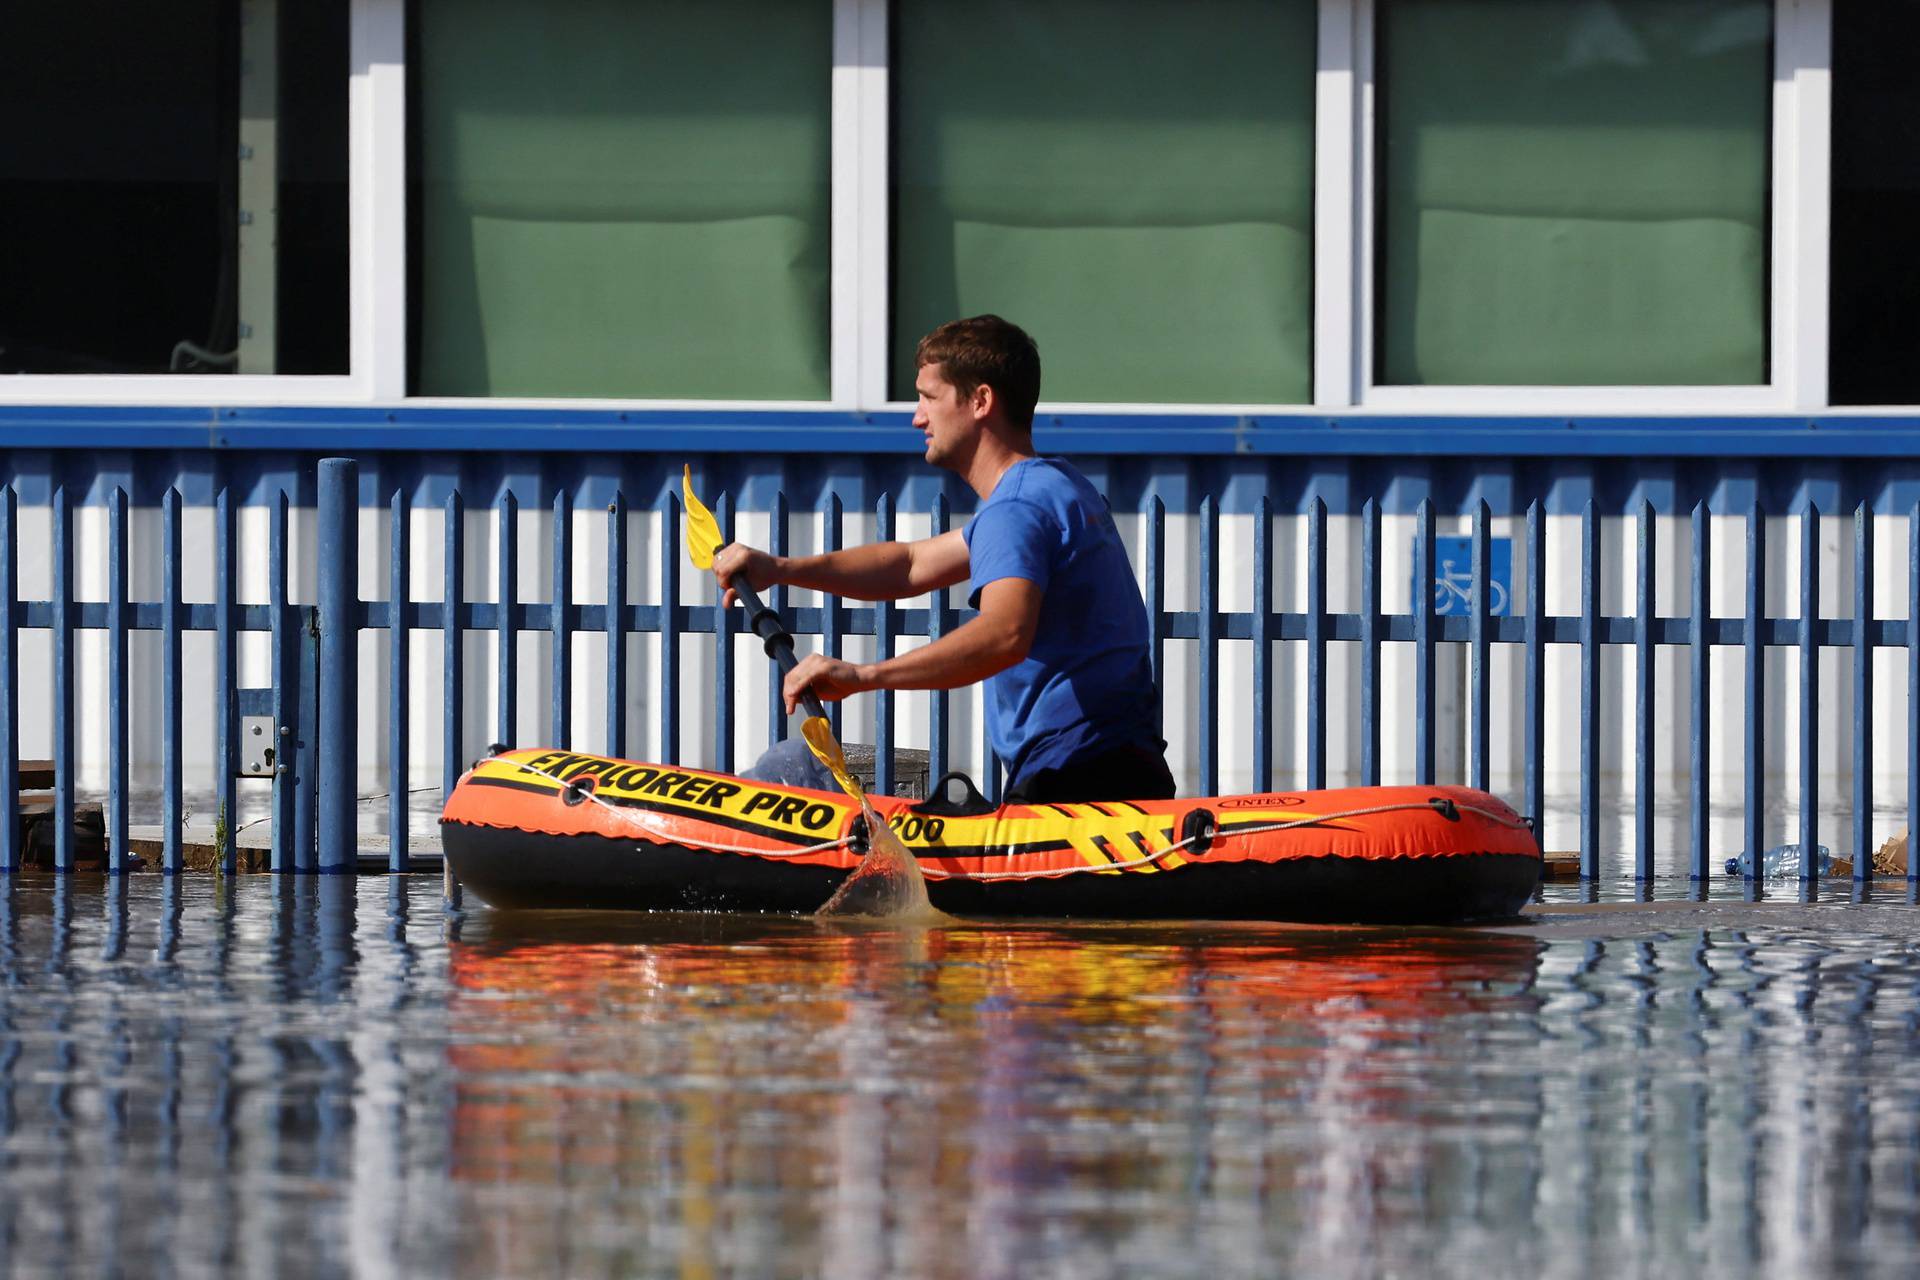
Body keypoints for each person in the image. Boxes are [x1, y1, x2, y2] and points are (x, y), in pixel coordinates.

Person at [712, 315, 1174, 805]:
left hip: (1082, 780)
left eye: (929, 397)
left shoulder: (1017, 507)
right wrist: (782, 569)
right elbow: (910, 564)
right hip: (1122, 772)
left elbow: (1004, 635)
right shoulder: (1054, 487)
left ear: (980, 401)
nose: (917, 417)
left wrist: (864, 677)